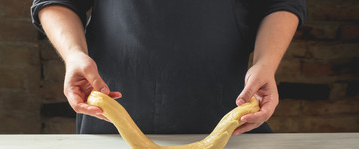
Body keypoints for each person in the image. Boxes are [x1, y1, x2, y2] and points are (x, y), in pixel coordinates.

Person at [31, 0, 306, 135]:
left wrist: (266, 63)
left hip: (229, 122)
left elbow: (279, 3)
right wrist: (74, 54)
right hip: (111, 120)